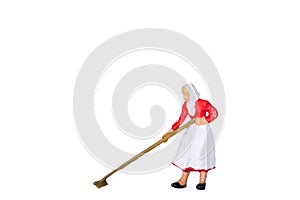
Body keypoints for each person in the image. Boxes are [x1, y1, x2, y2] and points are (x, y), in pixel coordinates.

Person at [163, 83, 218, 190]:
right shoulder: (186, 105)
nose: (184, 97)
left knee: (201, 154)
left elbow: (214, 113)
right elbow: (181, 119)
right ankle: (183, 180)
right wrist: (170, 132)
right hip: (192, 131)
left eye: (186, 94)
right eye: (184, 95)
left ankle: (202, 182)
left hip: (202, 132)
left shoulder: (203, 103)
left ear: (192, 94)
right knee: (187, 154)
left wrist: (205, 120)